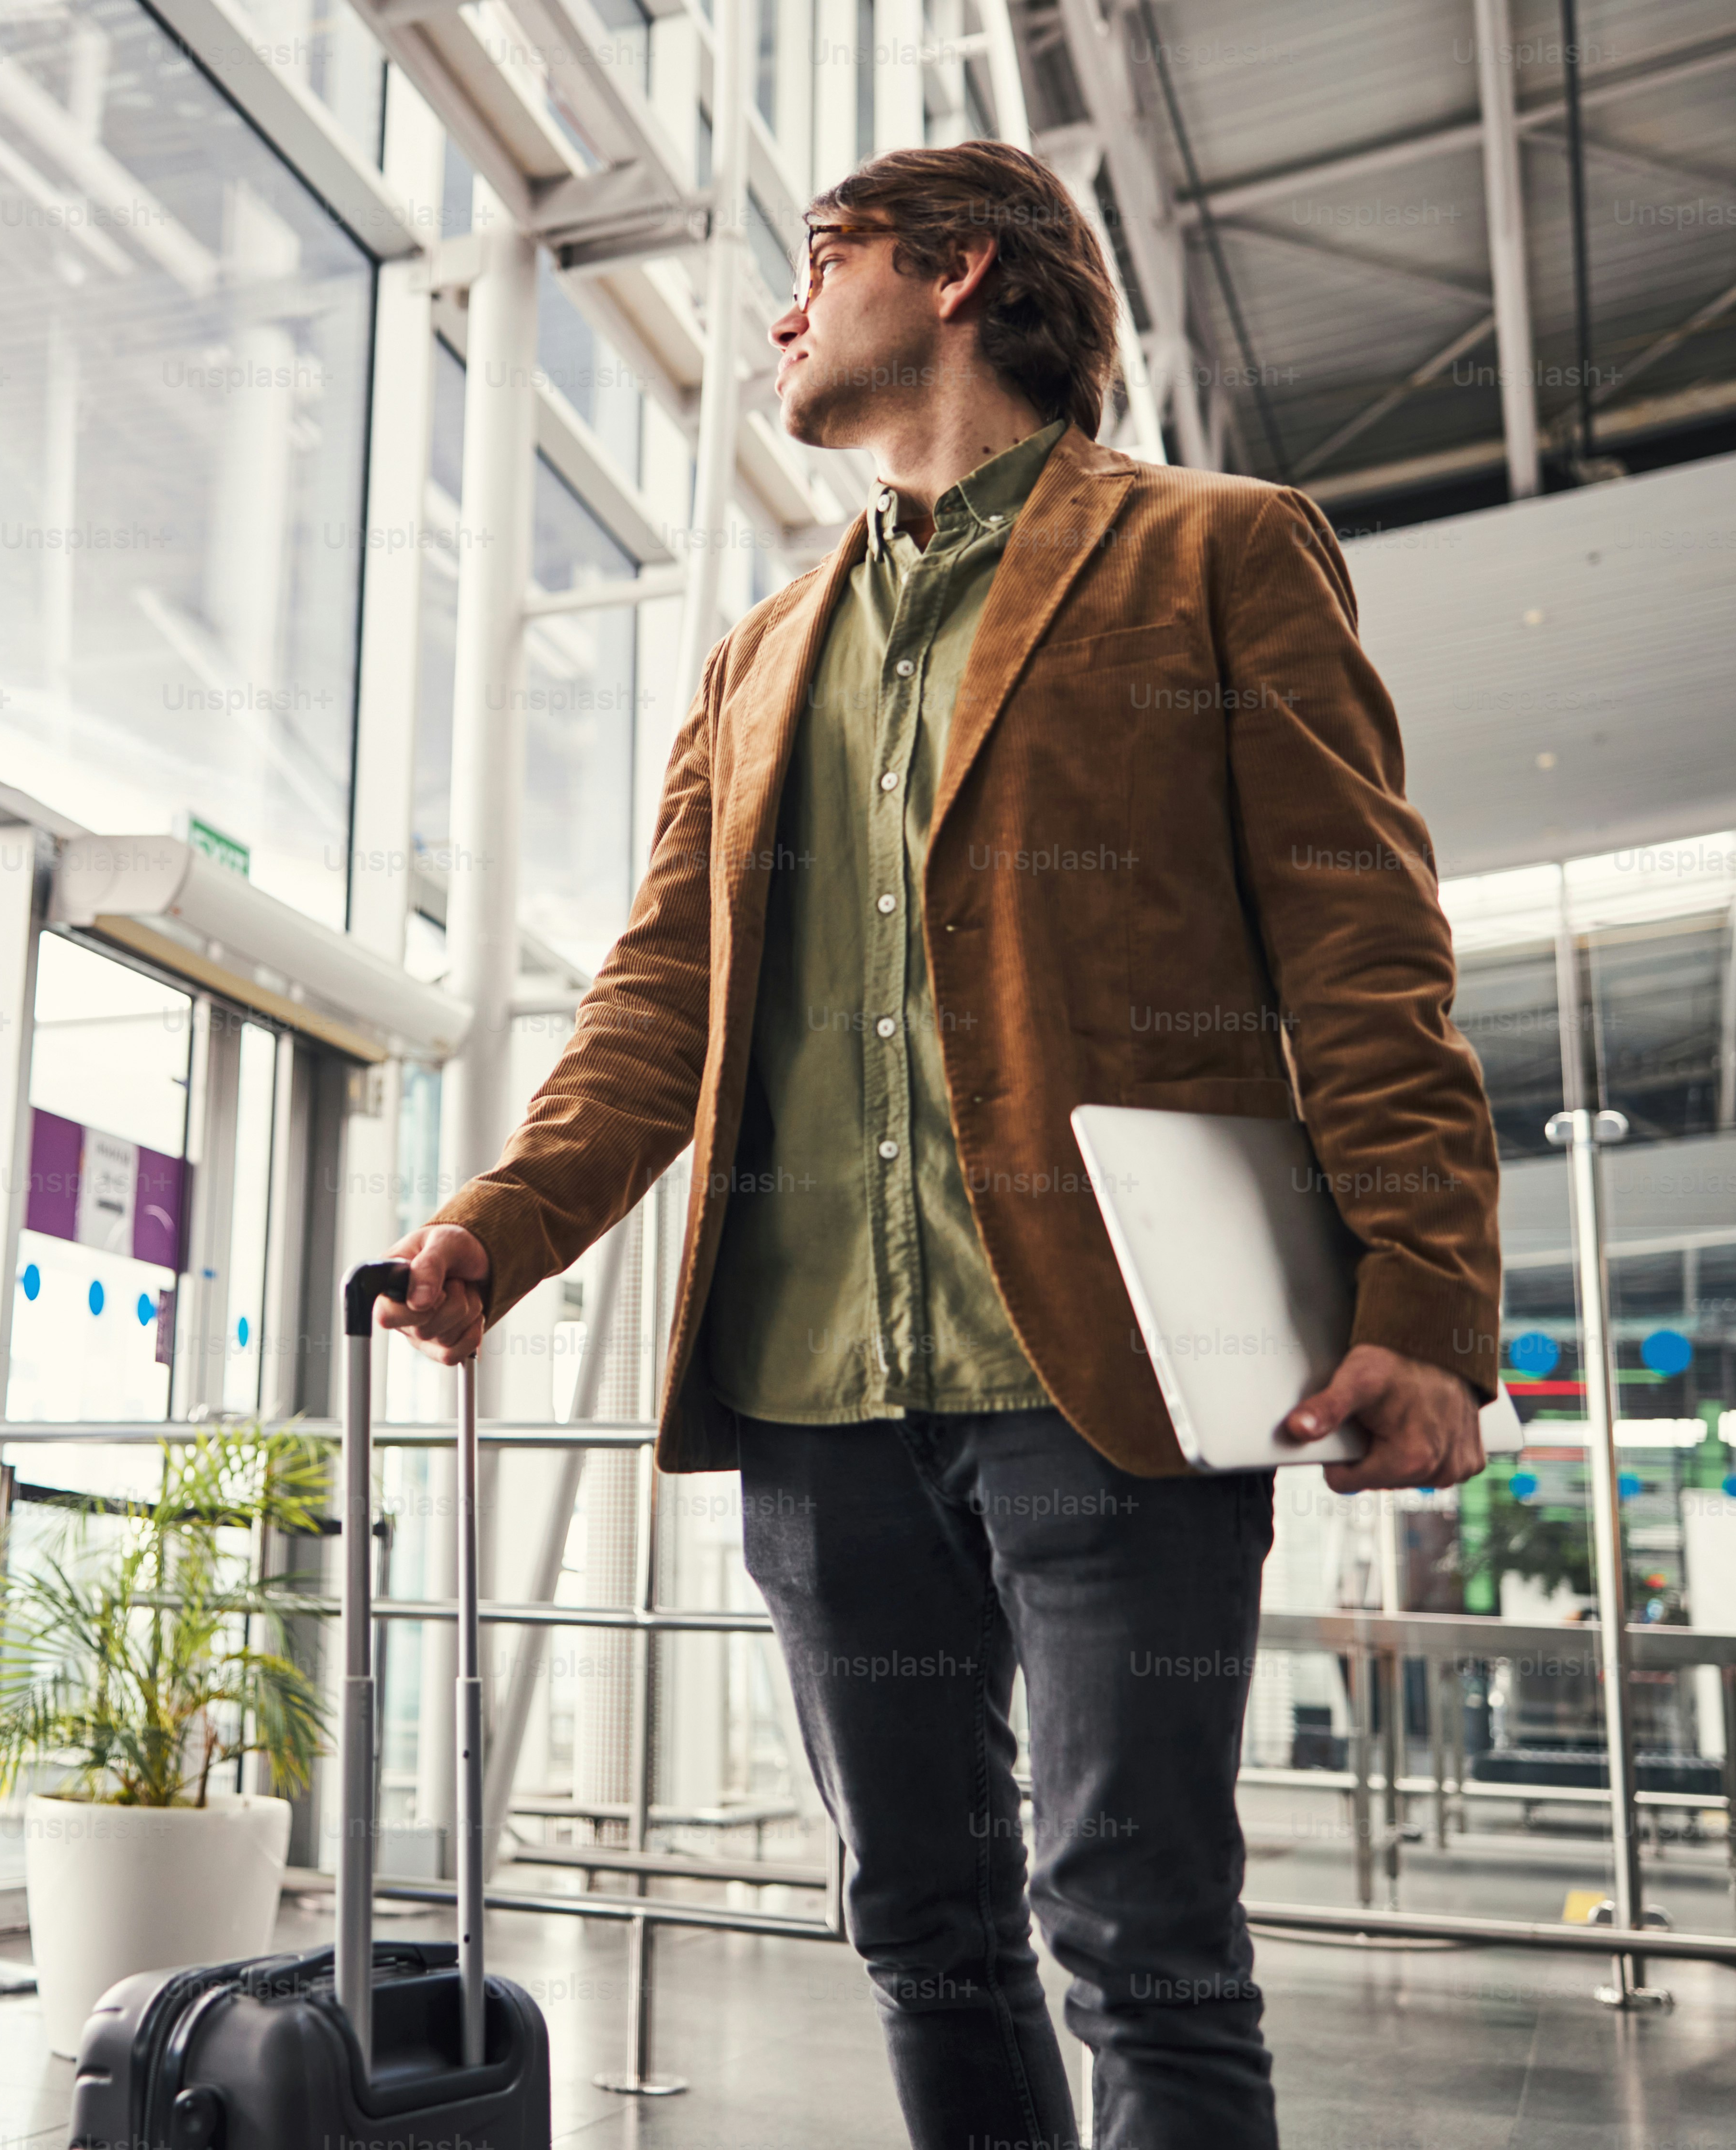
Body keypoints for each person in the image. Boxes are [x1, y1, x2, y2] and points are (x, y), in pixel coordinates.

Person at [375, 142, 1502, 2150]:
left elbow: (1363, 944)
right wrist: (501, 1225)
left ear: (964, 271)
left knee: (1141, 1933)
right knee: (921, 1923)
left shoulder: (1217, 552)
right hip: (817, 1405)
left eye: (821, 264)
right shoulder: (752, 657)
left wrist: (1424, 1293)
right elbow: (660, 1003)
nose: (784, 316)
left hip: (1116, 1384)